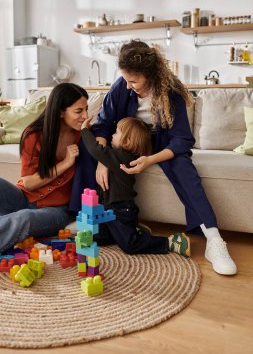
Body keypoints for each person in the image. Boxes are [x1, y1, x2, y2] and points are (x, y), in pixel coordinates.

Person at [70, 40, 237, 276]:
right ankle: (83, 217)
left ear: (148, 74)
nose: (128, 86)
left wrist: (150, 160)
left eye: (134, 81)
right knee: (86, 151)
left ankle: (214, 240)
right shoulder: (121, 87)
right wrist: (103, 161)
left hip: (161, 146)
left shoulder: (172, 92)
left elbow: (181, 140)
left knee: (183, 167)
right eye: (126, 80)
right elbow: (104, 125)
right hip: (127, 144)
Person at [0, 82, 91, 254]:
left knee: (23, 219)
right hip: (23, 198)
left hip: (56, 212)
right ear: (60, 112)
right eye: (79, 111)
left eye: (86, 109)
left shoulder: (83, 136)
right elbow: (28, 184)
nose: (85, 115)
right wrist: (65, 163)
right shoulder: (34, 135)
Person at [81, 116, 190, 256]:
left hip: (120, 211)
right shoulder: (118, 156)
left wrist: (84, 130)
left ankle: (170, 242)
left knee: (130, 245)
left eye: (116, 133)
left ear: (127, 141)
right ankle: (133, 231)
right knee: (97, 238)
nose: (112, 136)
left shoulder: (122, 157)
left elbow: (96, 150)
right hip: (108, 210)